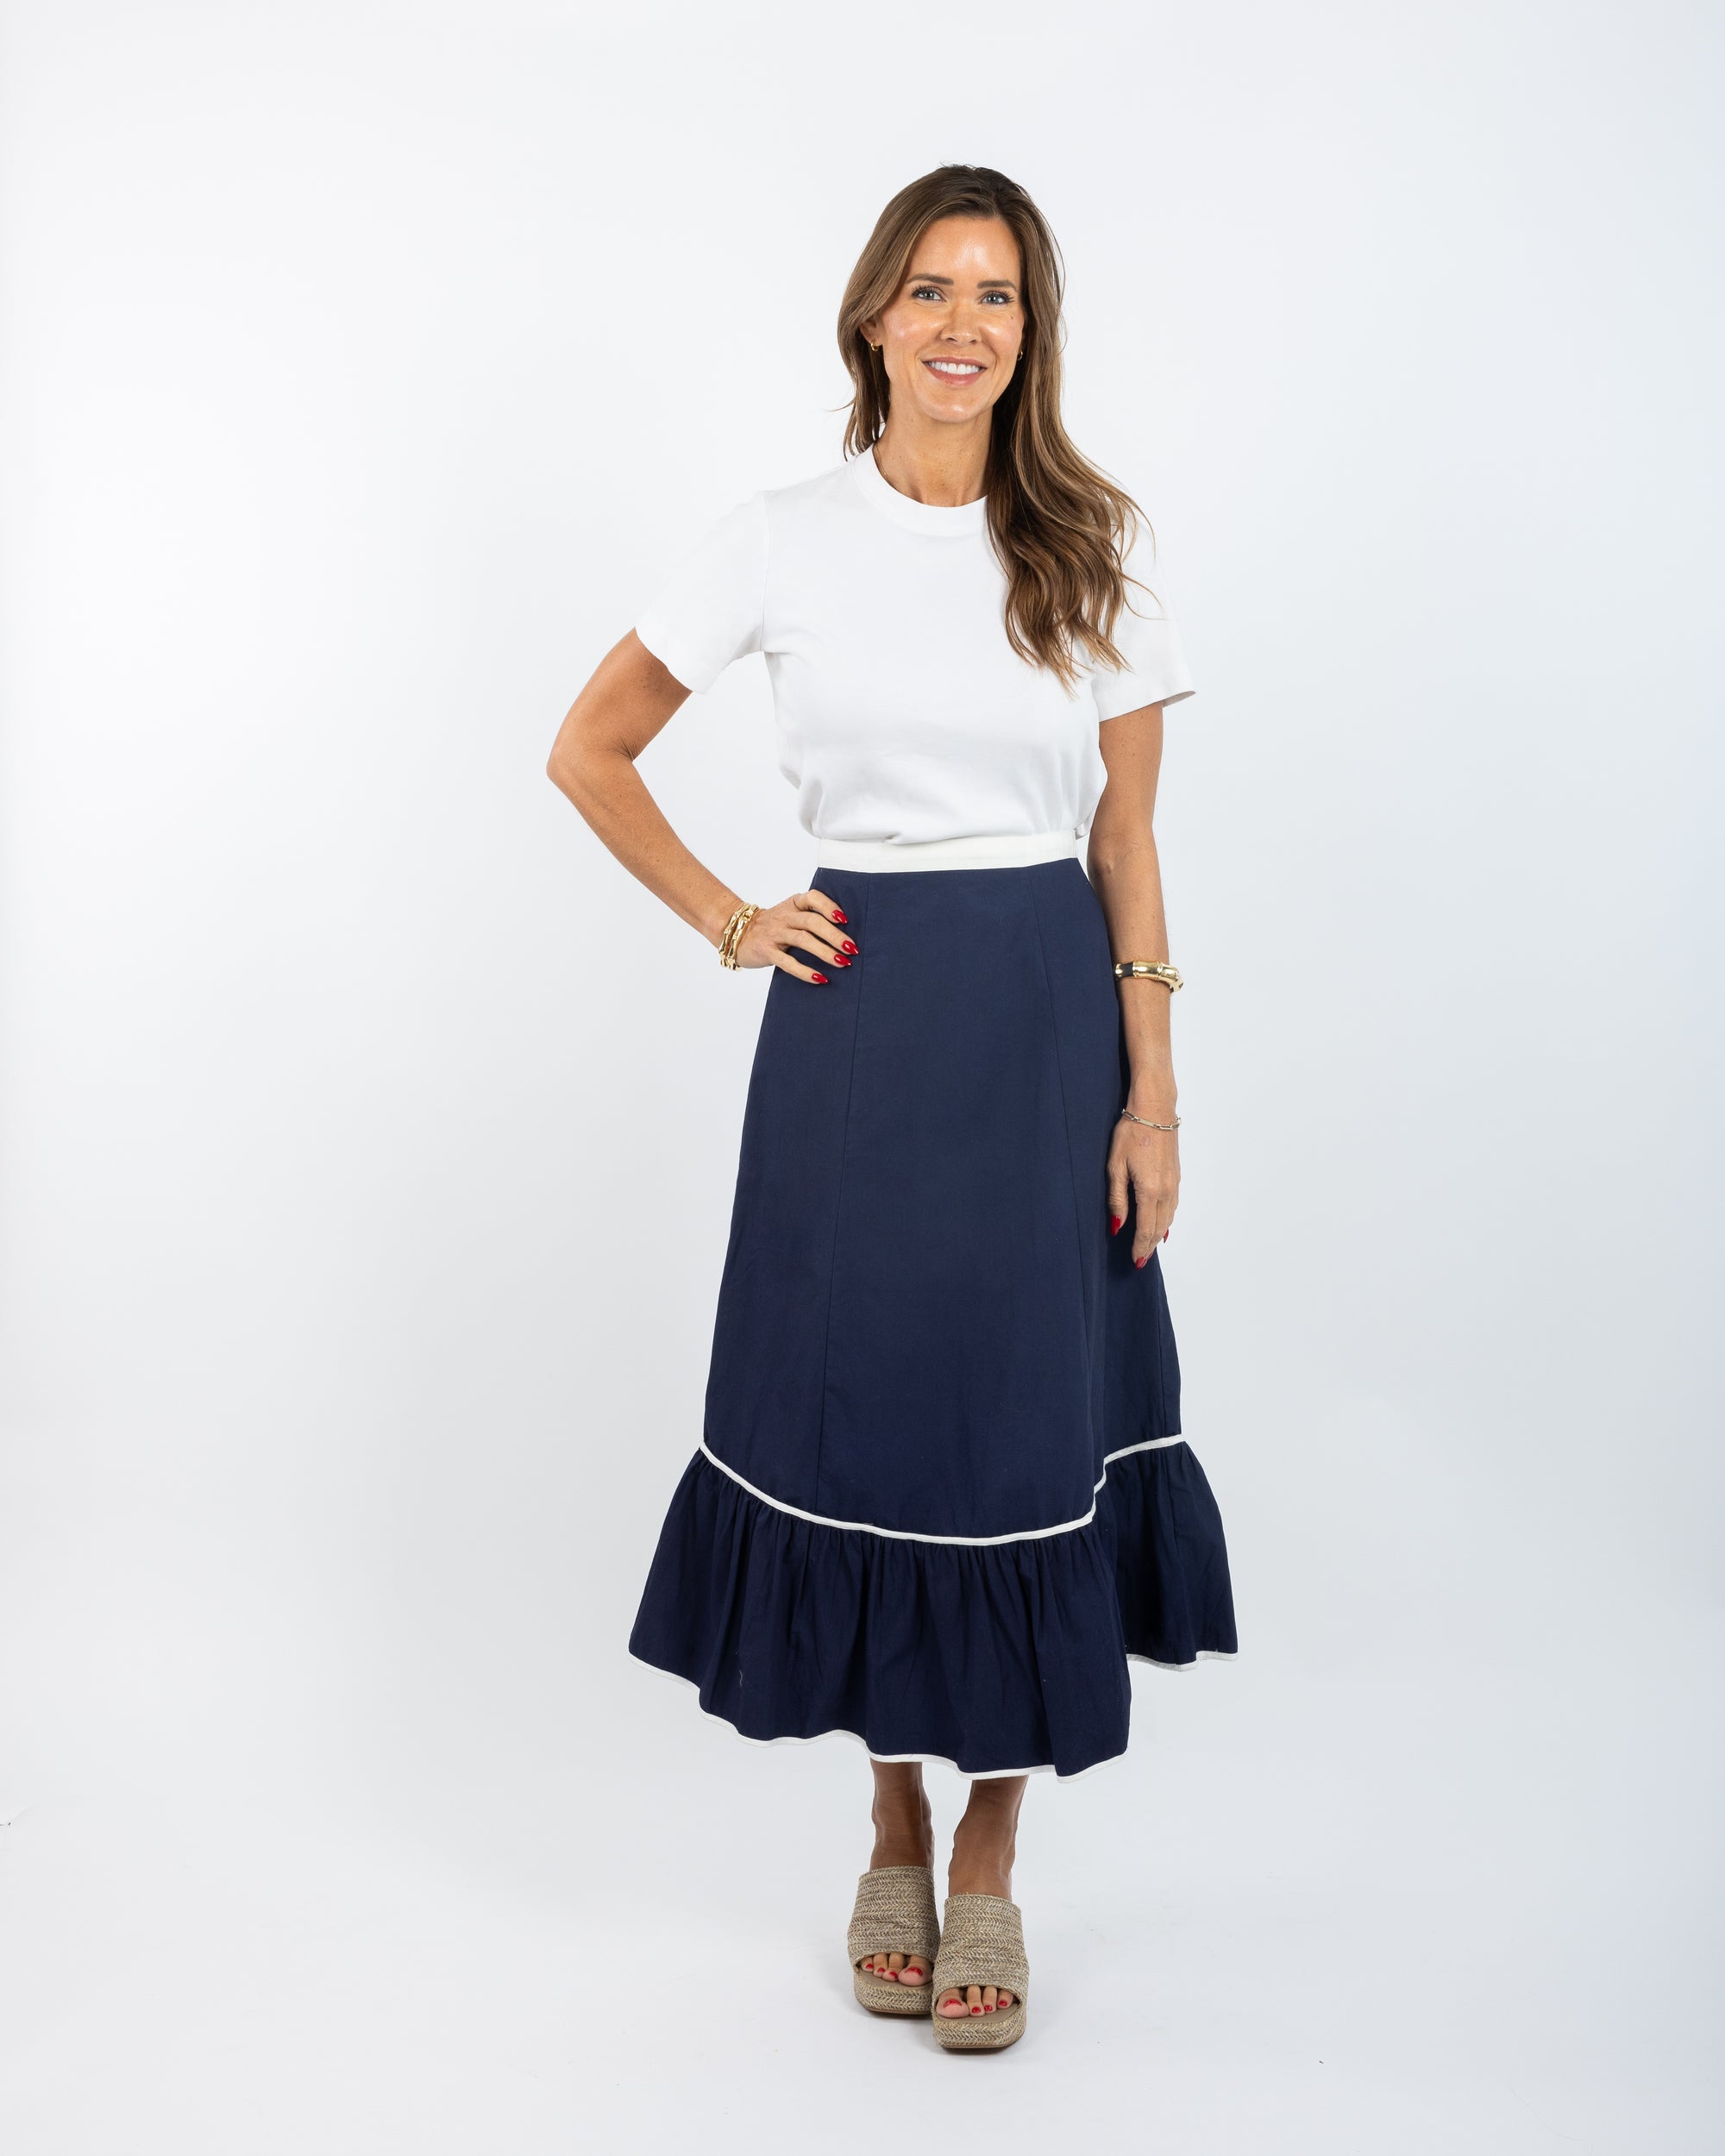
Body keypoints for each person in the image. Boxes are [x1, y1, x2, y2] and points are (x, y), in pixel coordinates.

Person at [547, 164, 1236, 2052]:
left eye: (996, 294)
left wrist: (1155, 1094)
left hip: (1044, 1027)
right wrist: (729, 917)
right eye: (930, 288)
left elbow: (1125, 840)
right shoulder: (779, 539)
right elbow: (589, 747)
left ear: (1032, 331)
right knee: (873, 1418)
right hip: (856, 1033)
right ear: (873, 315)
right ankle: (891, 1817)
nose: (961, 325)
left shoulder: (1090, 542)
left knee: (1023, 1425)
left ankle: (992, 1844)